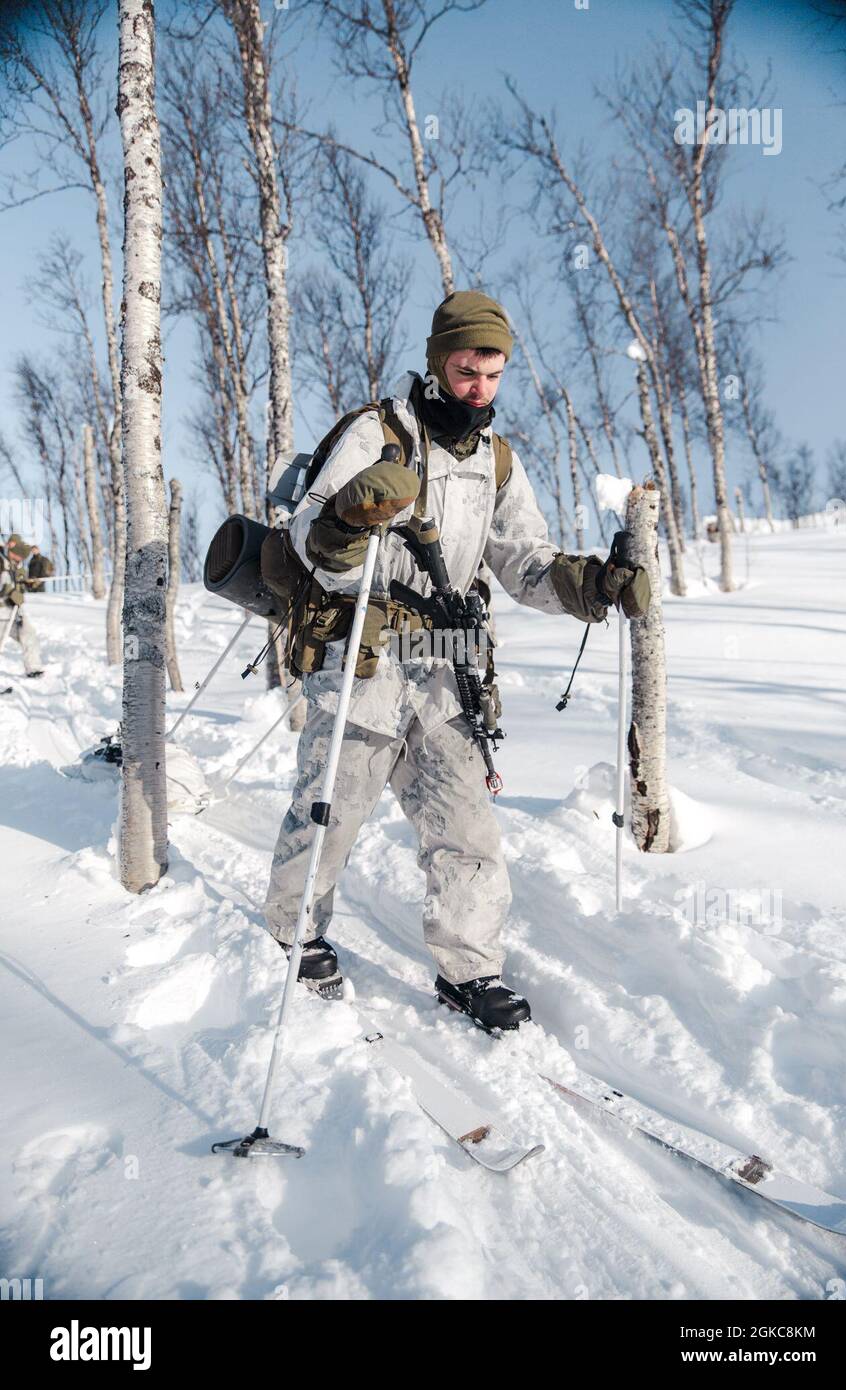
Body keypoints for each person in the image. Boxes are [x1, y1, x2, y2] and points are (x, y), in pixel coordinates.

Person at [263, 291, 649, 1030]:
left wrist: (593, 584)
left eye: (492, 373)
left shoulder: (498, 461)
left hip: (446, 667)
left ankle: (470, 973)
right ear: (439, 360)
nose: (478, 386)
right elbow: (307, 535)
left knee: (465, 828)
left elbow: (524, 561)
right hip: (363, 658)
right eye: (466, 367)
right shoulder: (375, 432)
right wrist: (347, 519)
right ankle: (294, 931)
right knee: (331, 809)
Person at [0, 534, 45, 677]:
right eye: (20, 556)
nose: (21, 560)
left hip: (14, 611)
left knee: (29, 634)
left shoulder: (16, 565)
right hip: (1, 611)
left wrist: (28, 583)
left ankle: (33, 669)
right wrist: (9, 591)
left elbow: (20, 583)